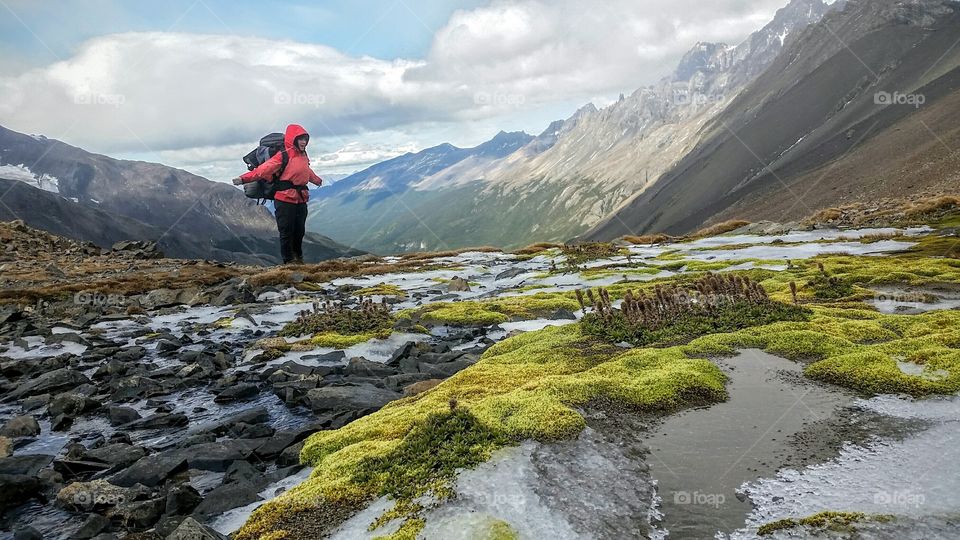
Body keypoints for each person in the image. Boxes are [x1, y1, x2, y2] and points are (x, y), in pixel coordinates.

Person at [233, 124, 323, 265]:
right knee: (286, 231)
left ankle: (298, 258)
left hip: (300, 199)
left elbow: (306, 170)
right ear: (293, 140)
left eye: (305, 139)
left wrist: (316, 180)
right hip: (284, 199)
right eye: (300, 139)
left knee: (299, 231)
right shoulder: (283, 156)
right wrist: (243, 178)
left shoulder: (303, 155)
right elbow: (263, 170)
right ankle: (289, 262)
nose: (303, 142)